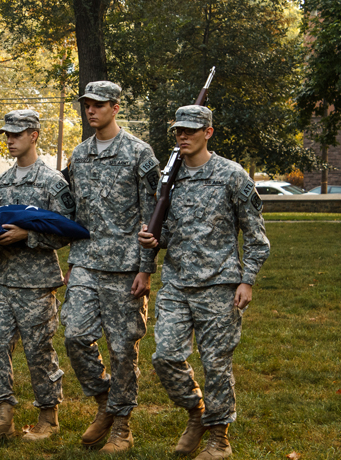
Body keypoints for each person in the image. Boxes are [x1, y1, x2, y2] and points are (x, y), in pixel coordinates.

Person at [138, 105, 270, 459]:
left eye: (192, 130)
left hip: (220, 285)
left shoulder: (231, 175)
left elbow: (257, 238)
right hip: (178, 283)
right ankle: (197, 412)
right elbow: (165, 231)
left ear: (208, 132)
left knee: (216, 364)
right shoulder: (171, 178)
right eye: (179, 130)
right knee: (165, 356)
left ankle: (218, 437)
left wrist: (248, 280)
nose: (183, 136)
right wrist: (153, 240)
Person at [61, 81, 160, 454]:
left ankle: (121, 425)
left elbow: (153, 214)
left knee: (122, 348)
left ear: (116, 107)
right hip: (86, 260)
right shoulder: (80, 153)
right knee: (74, 335)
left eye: (99, 105)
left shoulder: (139, 153)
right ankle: (104, 400)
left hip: (125, 265)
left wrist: (146, 269)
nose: (91, 111)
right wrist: (72, 261)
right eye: (87, 105)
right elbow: (76, 212)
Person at [0, 109, 75, 444]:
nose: (10, 140)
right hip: (2, 280)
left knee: (39, 351)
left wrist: (28, 236)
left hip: (36, 282)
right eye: (7, 134)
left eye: (17, 134)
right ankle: (2, 417)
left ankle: (49, 417)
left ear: (34, 135)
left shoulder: (52, 182)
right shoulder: (1, 183)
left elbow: (65, 233)